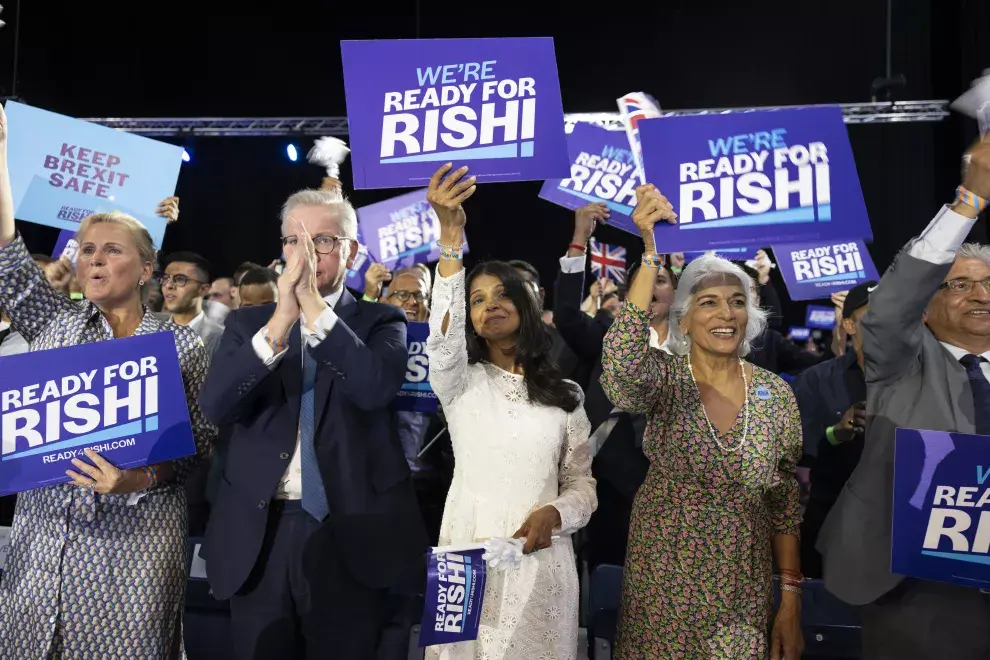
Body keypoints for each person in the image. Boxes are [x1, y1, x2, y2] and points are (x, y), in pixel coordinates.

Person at [0, 107, 215, 658]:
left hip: (136, 544)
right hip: (46, 540)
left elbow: (199, 448)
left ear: (147, 270)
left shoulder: (181, 342)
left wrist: (137, 479)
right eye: (88, 250)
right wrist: (1, 150)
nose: (94, 260)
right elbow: (6, 252)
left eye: (111, 250)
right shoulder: (53, 322)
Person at [198, 184, 427, 660]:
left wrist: (312, 307)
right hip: (259, 534)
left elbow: (372, 389)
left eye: (323, 240)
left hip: (348, 533)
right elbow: (216, 406)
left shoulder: (383, 321)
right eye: (293, 239)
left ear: (353, 250)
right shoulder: (247, 325)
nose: (307, 251)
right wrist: (281, 319)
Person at [600, 184, 804, 659]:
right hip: (661, 589)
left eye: (737, 301)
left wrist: (790, 600)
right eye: (708, 301)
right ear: (683, 319)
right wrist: (650, 253)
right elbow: (622, 369)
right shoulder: (664, 380)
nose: (726, 312)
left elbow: (786, 504)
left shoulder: (776, 395)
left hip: (743, 590)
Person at [818, 140, 990, 659]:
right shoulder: (900, 361)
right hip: (917, 585)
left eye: (987, 284)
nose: (980, 295)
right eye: (959, 285)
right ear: (927, 305)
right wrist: (971, 202)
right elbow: (891, 304)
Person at [424, 164, 597, 660]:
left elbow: (582, 484)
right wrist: (451, 237)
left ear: (526, 304)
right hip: (462, 555)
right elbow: (442, 336)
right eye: (478, 299)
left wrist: (556, 513)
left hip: (540, 559)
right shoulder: (458, 382)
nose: (489, 305)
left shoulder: (565, 393)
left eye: (502, 294)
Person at [554, 202, 677, 567]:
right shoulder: (609, 336)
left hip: (671, 479)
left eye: (662, 280)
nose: (653, 287)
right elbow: (567, 316)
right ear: (630, 296)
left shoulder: (695, 349)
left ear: (675, 292)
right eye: (643, 281)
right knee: (608, 567)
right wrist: (579, 239)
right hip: (607, 473)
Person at [793, 281, 873, 578]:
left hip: (899, 527)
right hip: (830, 524)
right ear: (849, 324)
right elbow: (797, 450)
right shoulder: (817, 379)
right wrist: (837, 432)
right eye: (871, 316)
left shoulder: (924, 378)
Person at [161, 250, 225, 356]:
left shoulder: (220, 338)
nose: (168, 285)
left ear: (203, 289)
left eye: (180, 279)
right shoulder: (146, 327)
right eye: (165, 279)